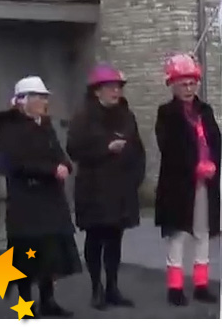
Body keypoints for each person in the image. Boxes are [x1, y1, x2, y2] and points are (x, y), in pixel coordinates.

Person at [0, 76, 81, 317]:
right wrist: (50, 170)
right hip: (26, 203)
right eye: (39, 97)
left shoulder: (45, 125)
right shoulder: (10, 128)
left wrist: (65, 165)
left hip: (50, 201)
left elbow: (57, 153)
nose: (44, 101)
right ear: (23, 101)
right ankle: (25, 306)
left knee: (49, 254)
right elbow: (13, 163)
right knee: (26, 256)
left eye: (45, 97)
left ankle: (48, 301)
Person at [67, 64, 146, 310]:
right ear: (96, 92)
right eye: (110, 87)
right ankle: (96, 288)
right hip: (94, 189)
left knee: (115, 239)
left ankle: (112, 287)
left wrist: (135, 178)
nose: (115, 91)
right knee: (96, 238)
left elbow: (137, 150)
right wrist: (105, 149)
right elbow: (75, 149)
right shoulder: (84, 117)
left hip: (121, 189)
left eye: (118, 87)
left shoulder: (126, 115)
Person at [154, 54, 221, 306]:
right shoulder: (166, 113)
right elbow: (169, 147)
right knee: (178, 234)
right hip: (178, 184)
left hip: (206, 183)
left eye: (192, 83)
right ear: (172, 85)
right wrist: (194, 166)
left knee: (202, 233)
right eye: (183, 83)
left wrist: (213, 163)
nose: (188, 88)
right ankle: (175, 286)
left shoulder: (206, 111)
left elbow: (215, 141)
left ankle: (202, 284)